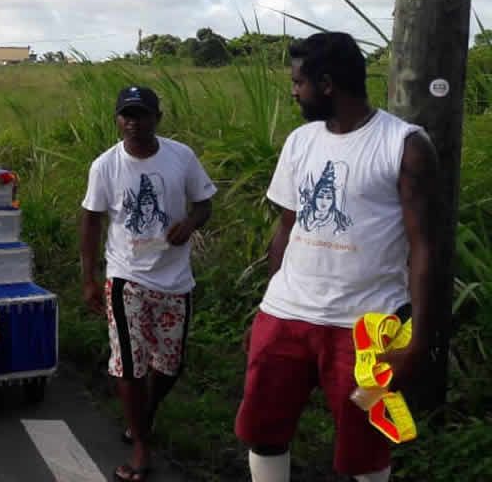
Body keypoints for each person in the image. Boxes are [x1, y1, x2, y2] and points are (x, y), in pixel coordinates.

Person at [236, 32, 438, 482]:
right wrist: (267, 310)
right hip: (286, 317)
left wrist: (417, 338)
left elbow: (425, 245)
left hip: (368, 327)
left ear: (326, 84)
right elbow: (287, 228)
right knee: (264, 430)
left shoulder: (404, 145)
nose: (293, 91)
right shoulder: (300, 142)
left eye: (298, 82)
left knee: (367, 447)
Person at [79, 86, 216, 482]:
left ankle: (143, 415)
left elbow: (204, 203)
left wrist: (190, 225)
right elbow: (91, 221)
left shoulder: (181, 157)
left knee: (169, 365)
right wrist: (89, 279)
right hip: (127, 277)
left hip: (175, 279)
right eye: (126, 115)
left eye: (141, 115)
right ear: (117, 119)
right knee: (130, 364)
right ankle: (141, 444)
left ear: (159, 118)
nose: (133, 123)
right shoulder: (105, 166)